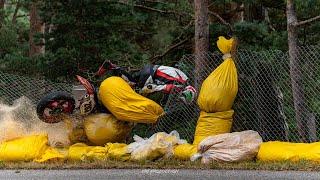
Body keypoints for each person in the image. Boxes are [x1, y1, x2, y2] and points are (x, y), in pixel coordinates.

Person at [95, 61, 197, 104]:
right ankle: (114, 70)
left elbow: (165, 86)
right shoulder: (179, 86)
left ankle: (112, 67)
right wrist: (146, 90)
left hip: (152, 70)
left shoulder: (184, 78)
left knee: (133, 80)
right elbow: (160, 88)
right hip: (152, 75)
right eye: (183, 97)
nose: (180, 97)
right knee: (135, 90)